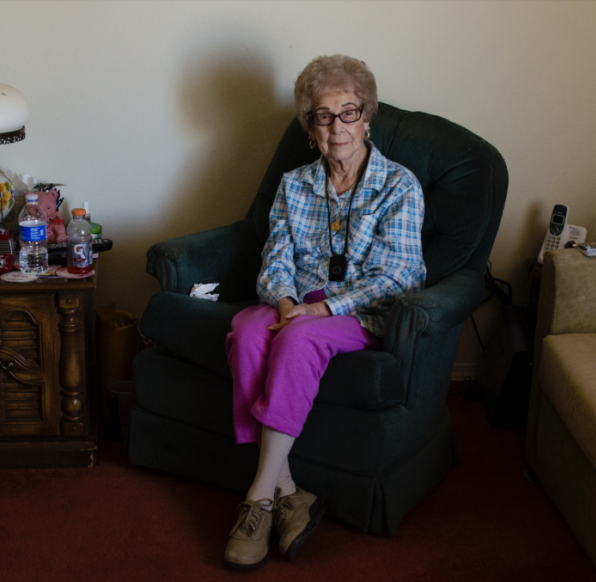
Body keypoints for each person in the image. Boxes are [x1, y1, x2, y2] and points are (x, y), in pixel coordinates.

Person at [223, 54, 427, 570]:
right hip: (297, 306)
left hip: (360, 315)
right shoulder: (295, 185)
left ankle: (256, 500)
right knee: (247, 332)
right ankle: (289, 491)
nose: (337, 127)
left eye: (349, 112)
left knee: (296, 340)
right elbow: (275, 259)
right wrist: (289, 303)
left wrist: (325, 309)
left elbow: (401, 274)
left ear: (367, 116)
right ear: (310, 127)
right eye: (323, 115)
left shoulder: (399, 185)